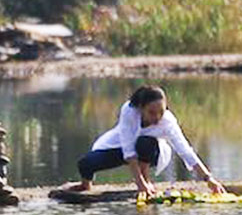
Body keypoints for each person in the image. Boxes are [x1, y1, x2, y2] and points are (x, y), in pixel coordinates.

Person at [71, 85, 225, 198]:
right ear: (141, 108)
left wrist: (208, 179)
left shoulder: (168, 121)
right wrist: (139, 184)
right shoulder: (129, 111)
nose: (157, 117)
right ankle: (86, 184)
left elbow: (185, 150)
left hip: (151, 152)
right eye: (151, 113)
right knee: (85, 163)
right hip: (120, 147)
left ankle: (147, 179)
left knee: (146, 142)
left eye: (161, 112)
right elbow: (128, 150)